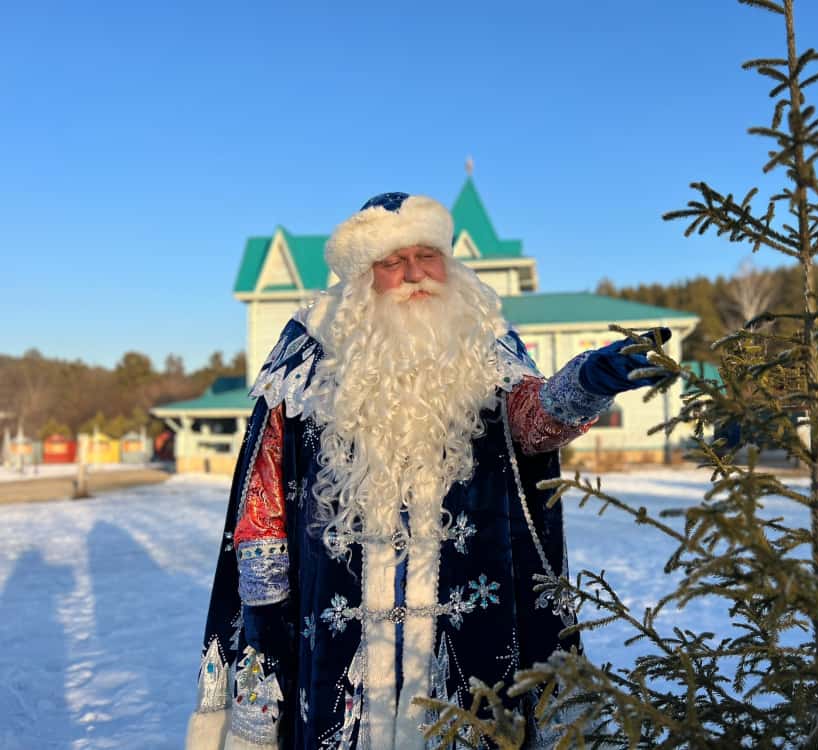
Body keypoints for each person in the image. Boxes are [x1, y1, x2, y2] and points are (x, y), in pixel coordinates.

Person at [185, 192, 671, 749]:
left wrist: (584, 383)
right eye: (393, 262)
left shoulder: (482, 340)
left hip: (469, 591)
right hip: (336, 600)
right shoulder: (307, 353)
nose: (415, 273)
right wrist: (265, 592)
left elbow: (529, 427)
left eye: (427, 255)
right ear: (363, 276)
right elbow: (264, 472)